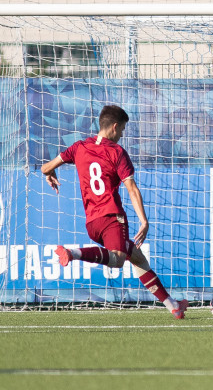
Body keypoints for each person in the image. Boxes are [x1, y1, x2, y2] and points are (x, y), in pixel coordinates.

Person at [41, 105, 188, 319]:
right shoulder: (116, 152)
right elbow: (131, 188)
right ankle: (73, 253)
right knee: (118, 260)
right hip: (112, 218)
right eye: (122, 130)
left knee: (137, 258)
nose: (121, 135)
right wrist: (143, 221)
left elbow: (45, 167)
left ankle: (173, 305)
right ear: (115, 127)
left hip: (92, 223)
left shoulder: (79, 147)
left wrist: (50, 171)